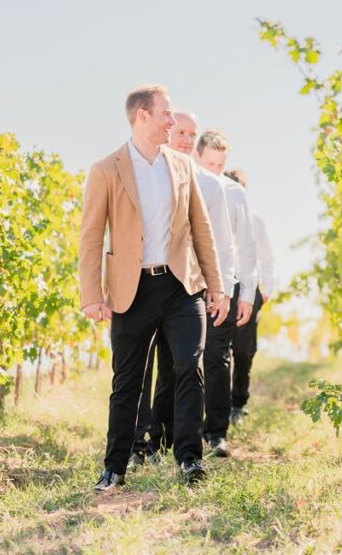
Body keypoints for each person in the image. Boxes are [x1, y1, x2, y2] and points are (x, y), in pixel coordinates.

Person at [79, 85, 224, 490]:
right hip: (132, 289)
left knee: (188, 367)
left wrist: (216, 286)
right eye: (166, 113)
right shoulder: (106, 169)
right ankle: (115, 467)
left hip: (181, 285)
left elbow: (201, 227)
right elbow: (90, 236)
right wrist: (91, 294)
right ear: (142, 116)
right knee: (127, 381)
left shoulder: (181, 165)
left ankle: (189, 460)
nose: (172, 121)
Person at [130, 110, 235, 465]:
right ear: (166, 132)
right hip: (144, 286)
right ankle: (139, 443)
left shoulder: (211, 186)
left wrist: (218, 287)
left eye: (193, 134)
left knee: (180, 367)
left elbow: (218, 241)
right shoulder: (143, 175)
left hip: (186, 289)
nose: (186, 140)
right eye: (180, 132)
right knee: (142, 368)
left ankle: (171, 442)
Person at [196, 129, 258, 457]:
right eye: (209, 163)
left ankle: (216, 433)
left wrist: (246, 291)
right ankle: (181, 431)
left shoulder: (235, 193)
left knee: (217, 358)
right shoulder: (188, 184)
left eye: (221, 164)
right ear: (197, 156)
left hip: (226, 284)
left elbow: (245, 245)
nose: (215, 170)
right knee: (188, 360)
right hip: (191, 282)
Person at [224, 168, 276, 425]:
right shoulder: (214, 218)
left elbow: (267, 259)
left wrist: (266, 290)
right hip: (221, 288)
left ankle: (238, 403)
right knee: (217, 352)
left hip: (250, 289)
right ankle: (217, 406)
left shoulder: (256, 222)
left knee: (244, 351)